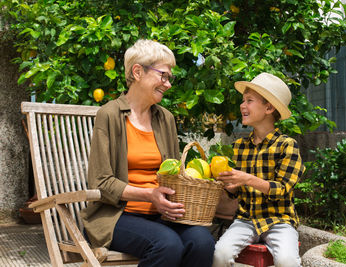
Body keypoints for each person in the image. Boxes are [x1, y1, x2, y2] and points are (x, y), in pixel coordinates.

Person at [81, 39, 215, 267]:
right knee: (167, 244)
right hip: (118, 215)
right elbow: (101, 182)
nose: (168, 84)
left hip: (161, 215)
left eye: (169, 78)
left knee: (202, 241)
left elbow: (174, 174)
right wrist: (149, 195)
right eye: (163, 75)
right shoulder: (110, 115)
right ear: (137, 72)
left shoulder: (165, 118)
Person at [212, 73, 305, 267]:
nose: (242, 105)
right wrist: (229, 186)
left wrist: (246, 179)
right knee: (220, 254)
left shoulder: (287, 145)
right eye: (243, 100)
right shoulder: (239, 146)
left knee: (287, 261)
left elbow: (282, 189)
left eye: (249, 101)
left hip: (279, 221)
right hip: (246, 220)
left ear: (269, 108)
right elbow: (234, 192)